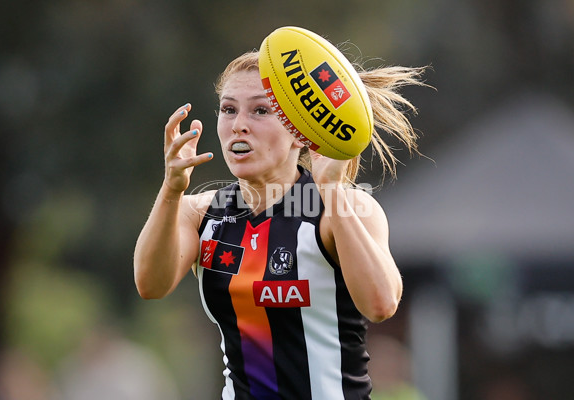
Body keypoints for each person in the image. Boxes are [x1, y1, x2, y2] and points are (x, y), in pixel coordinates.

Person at [134, 43, 425, 399]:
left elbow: (381, 305)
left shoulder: (345, 206)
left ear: (300, 133)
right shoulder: (197, 212)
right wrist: (171, 190)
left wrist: (330, 189)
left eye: (260, 110)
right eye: (228, 109)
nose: (239, 125)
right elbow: (151, 285)